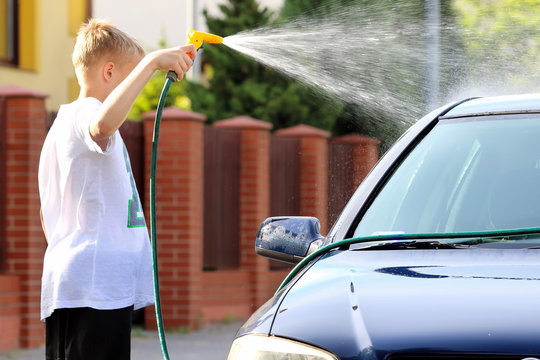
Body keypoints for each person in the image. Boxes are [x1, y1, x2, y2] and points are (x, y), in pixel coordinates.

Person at [38, 19, 196, 360]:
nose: (135, 89)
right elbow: (102, 126)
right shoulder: (87, 115)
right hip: (93, 288)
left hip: (91, 285)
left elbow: (45, 212)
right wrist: (152, 62)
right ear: (109, 72)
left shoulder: (65, 124)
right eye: (131, 76)